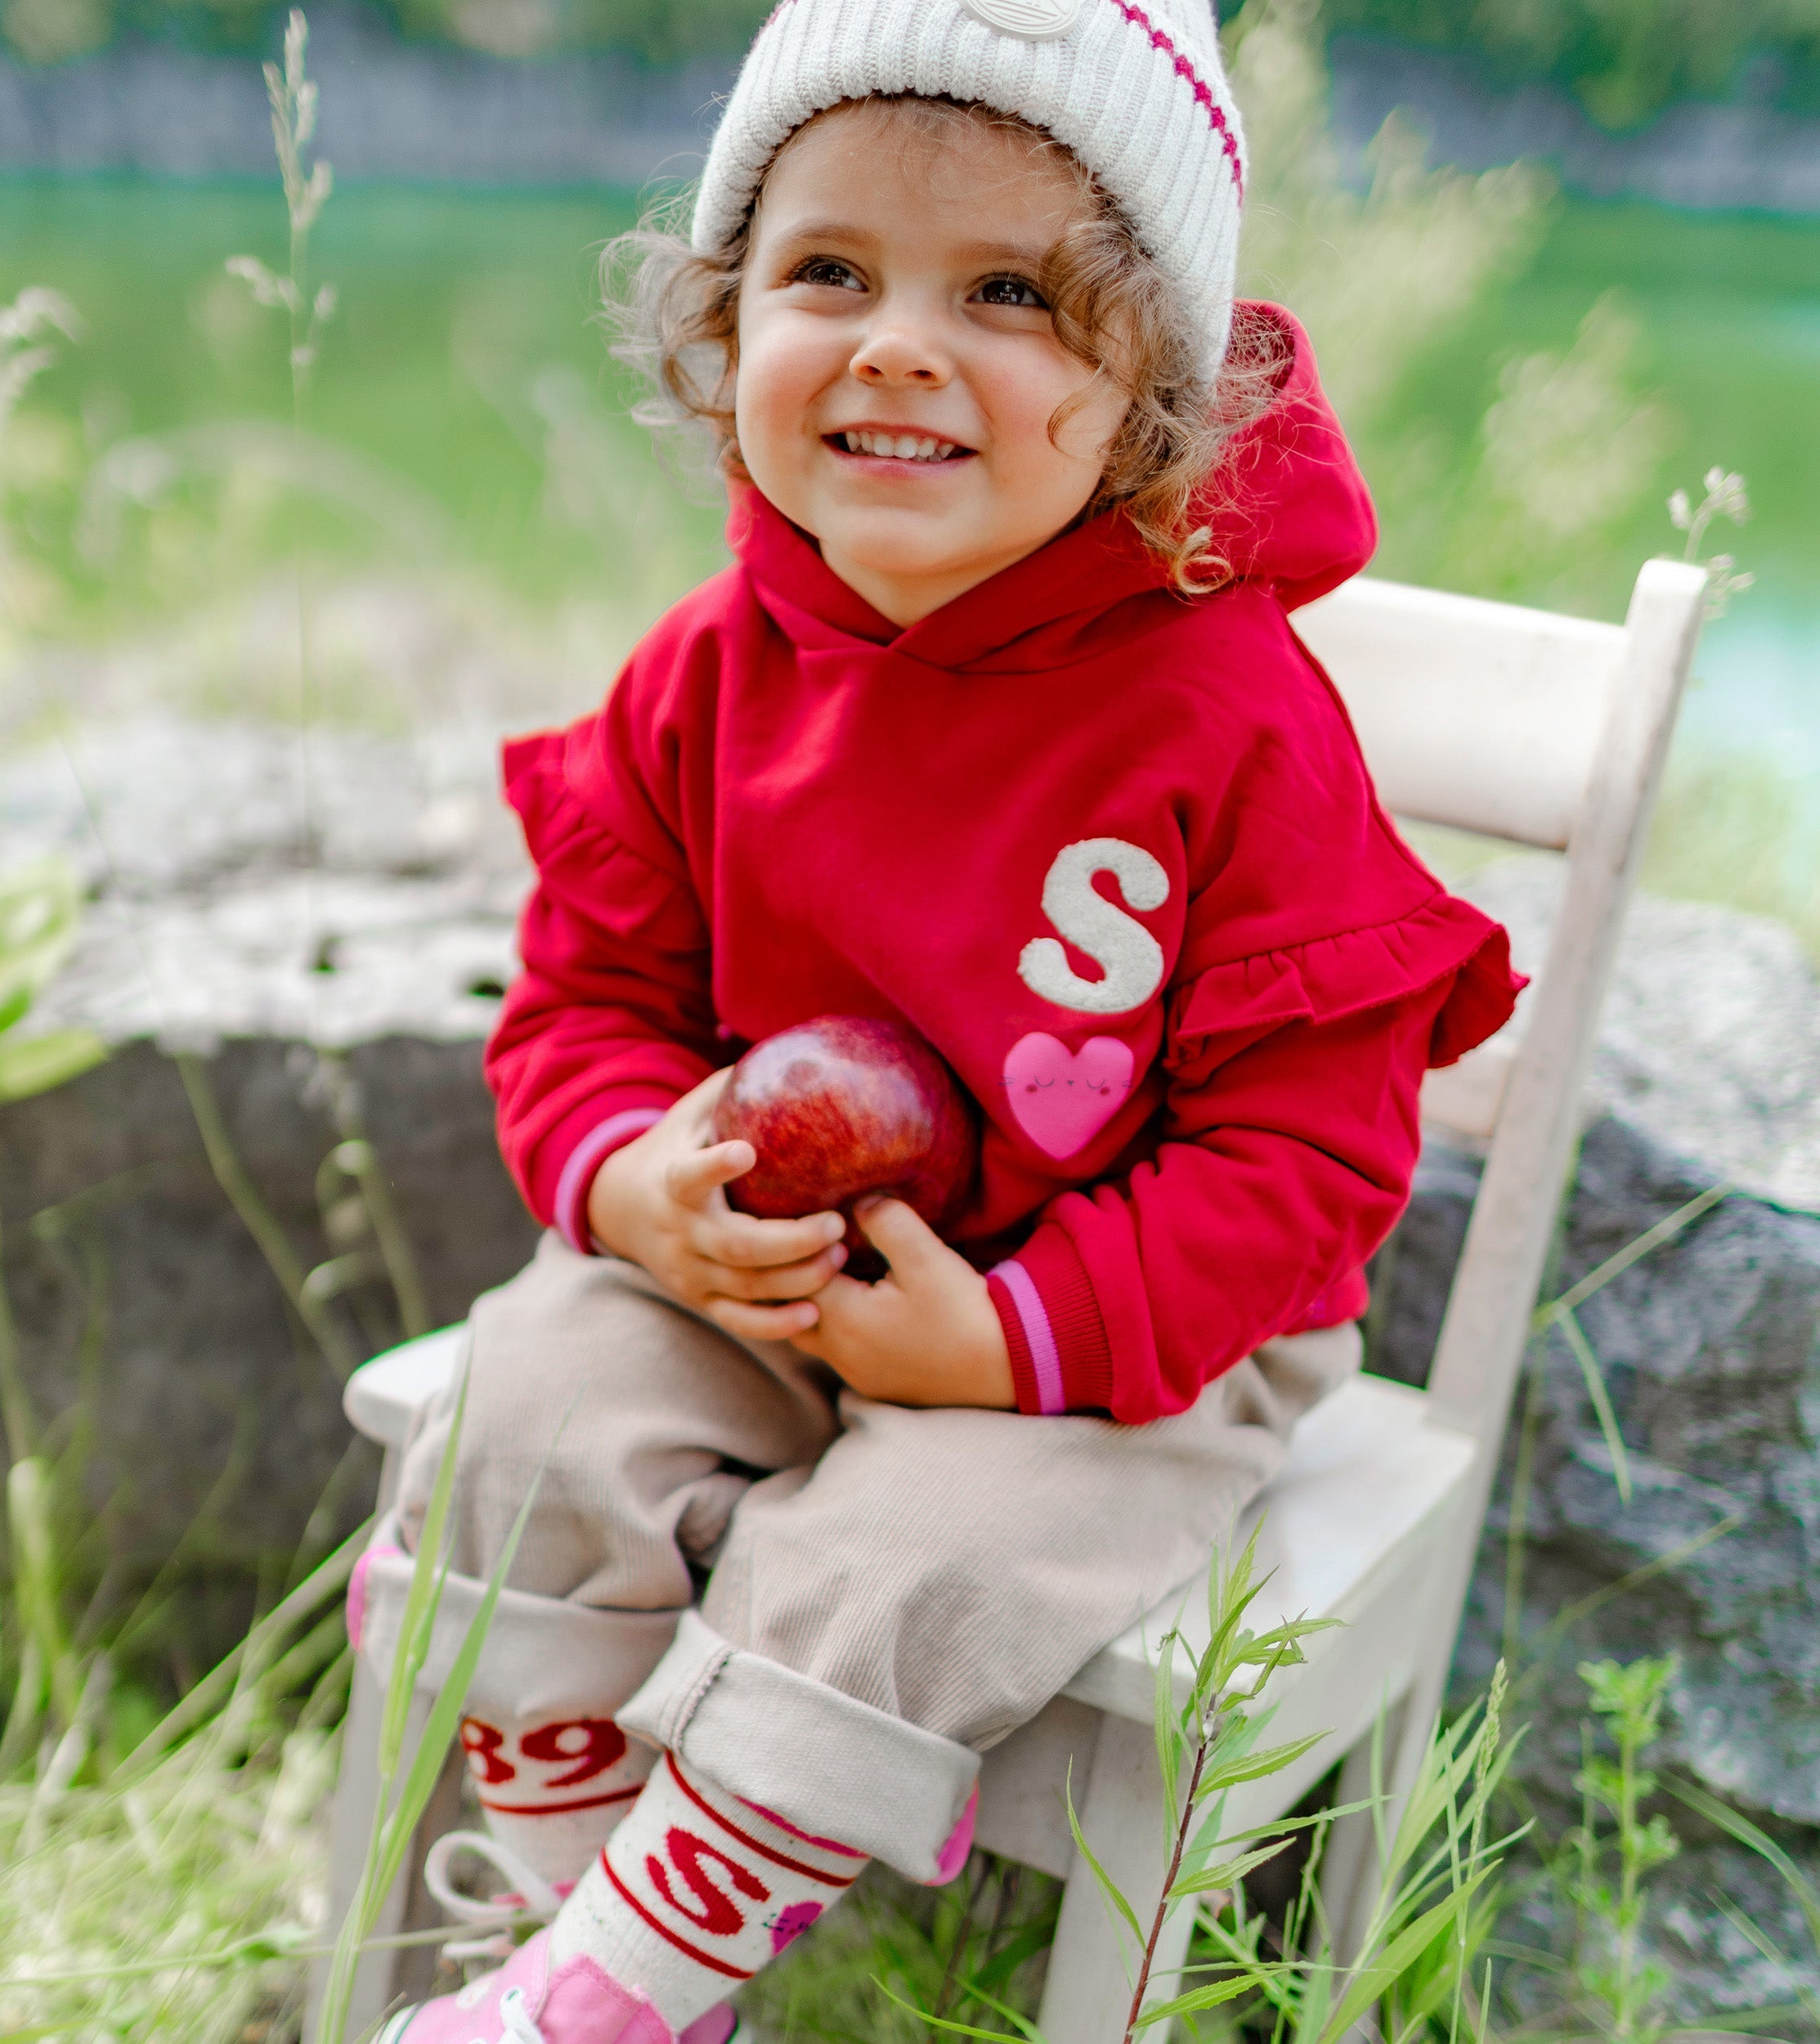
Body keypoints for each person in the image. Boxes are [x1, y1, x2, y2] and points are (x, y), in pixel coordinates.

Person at [348, 2, 1522, 2038]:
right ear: (725, 332)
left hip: (1117, 1340)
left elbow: (1306, 1159)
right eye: (828, 273)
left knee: (919, 1548)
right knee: (521, 1400)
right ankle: (578, 1909)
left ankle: (622, 1981)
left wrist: (1006, 1335)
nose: (897, 342)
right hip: (762, 1280)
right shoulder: (706, 671)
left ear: (1150, 386)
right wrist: (643, 1185)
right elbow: (583, 1007)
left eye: (1004, 292)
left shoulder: (1225, 723)